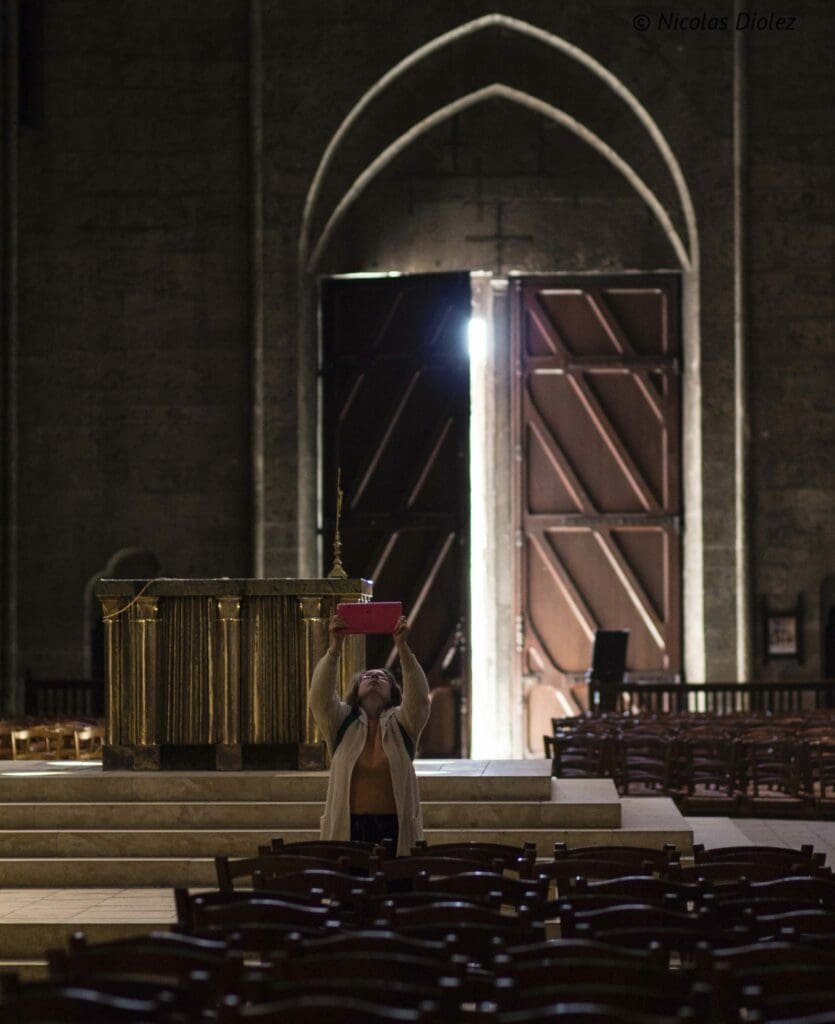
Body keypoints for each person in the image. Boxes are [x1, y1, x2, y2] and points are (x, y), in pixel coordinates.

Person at [308, 612, 430, 855]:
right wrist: (335, 648)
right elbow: (319, 698)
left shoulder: (402, 723)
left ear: (393, 692)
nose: (374, 676)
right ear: (356, 688)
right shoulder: (342, 722)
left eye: (383, 676)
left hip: (394, 828)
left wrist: (402, 647)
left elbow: (419, 697)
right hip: (350, 827)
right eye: (367, 676)